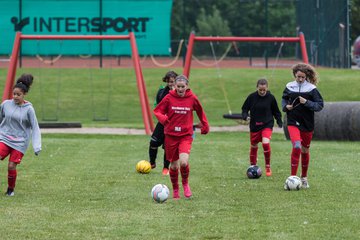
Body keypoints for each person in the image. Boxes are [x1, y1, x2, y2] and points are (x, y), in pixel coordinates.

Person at [153, 75, 209, 199]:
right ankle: (175, 189)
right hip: (171, 135)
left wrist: (205, 125)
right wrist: (163, 119)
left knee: (183, 163)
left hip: (185, 135)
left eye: (183, 87)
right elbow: (157, 111)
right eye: (178, 87)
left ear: (186, 86)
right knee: (173, 166)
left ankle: (185, 184)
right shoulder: (169, 97)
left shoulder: (192, 98)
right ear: (175, 86)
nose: (180, 89)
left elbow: (200, 111)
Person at [282, 63, 324, 188]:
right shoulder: (289, 86)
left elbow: (319, 105)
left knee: (305, 150)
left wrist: (307, 102)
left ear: (306, 76)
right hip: (292, 122)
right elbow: (284, 99)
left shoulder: (312, 89)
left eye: (302, 77)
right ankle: (292, 178)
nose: (300, 79)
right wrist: (285, 106)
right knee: (296, 146)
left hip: (307, 124)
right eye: (298, 77)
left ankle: (304, 177)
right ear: (295, 75)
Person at [0, 73, 41, 196]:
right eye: (14, 94)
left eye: (18, 95)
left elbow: (35, 127)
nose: (15, 97)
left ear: (24, 94)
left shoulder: (29, 109)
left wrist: (37, 145)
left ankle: (10, 189)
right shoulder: (5, 105)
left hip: (20, 142)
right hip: (4, 138)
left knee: (11, 166)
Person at [241, 78, 283, 177]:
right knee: (254, 146)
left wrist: (279, 120)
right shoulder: (251, 97)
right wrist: (245, 116)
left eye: (264, 90)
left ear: (267, 88)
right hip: (255, 125)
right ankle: (252, 166)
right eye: (260, 90)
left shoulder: (271, 98)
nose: (262, 92)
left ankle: (267, 166)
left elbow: (276, 111)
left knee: (265, 143)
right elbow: (244, 108)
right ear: (257, 88)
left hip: (267, 124)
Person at [149, 70, 177, 175]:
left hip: (173, 124)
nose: (172, 84)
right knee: (153, 142)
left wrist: (175, 92)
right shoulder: (161, 92)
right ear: (166, 81)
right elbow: (157, 106)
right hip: (162, 122)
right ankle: (152, 163)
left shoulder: (179, 92)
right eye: (170, 81)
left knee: (168, 147)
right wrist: (161, 117)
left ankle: (166, 168)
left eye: (174, 81)